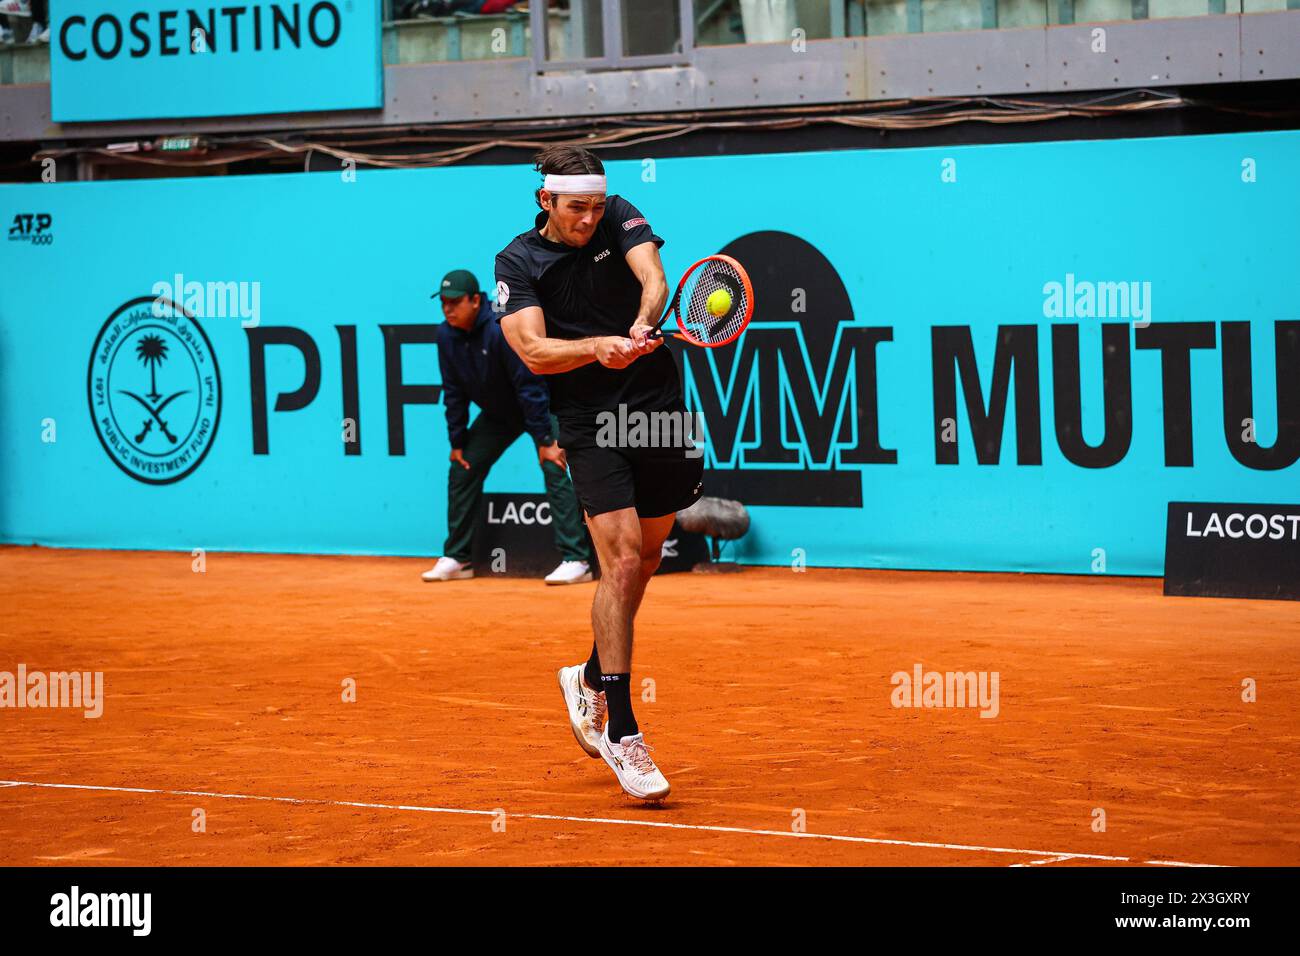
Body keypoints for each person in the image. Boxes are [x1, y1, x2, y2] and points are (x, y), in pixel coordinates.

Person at [495, 145, 703, 801]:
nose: (589, 219)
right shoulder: (517, 262)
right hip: (588, 421)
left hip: (658, 410)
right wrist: (596, 348)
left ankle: (586, 676)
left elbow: (655, 281)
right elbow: (530, 348)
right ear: (545, 202)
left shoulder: (619, 214)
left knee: (645, 558)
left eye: (594, 206)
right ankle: (623, 728)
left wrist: (642, 325)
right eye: (575, 208)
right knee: (615, 563)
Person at [423, 268, 594, 586]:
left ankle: (576, 560)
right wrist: (457, 441)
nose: (448, 308)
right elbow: (454, 393)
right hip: (499, 414)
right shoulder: (445, 336)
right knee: (463, 467)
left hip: (541, 404)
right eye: (443, 302)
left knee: (554, 463)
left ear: (476, 301)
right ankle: (459, 558)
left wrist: (545, 439)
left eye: (455, 302)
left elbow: (529, 384)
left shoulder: (500, 327)